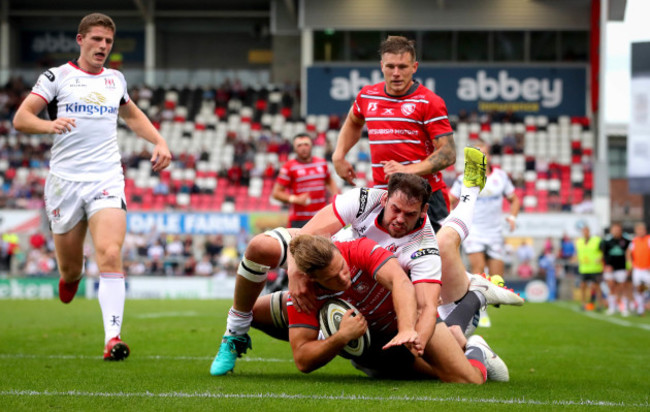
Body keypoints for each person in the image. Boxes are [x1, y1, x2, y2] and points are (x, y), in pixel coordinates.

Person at [209, 147, 523, 376]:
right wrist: (297, 271)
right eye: (395, 210)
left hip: (382, 303)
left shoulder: (422, 245)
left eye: (410, 214)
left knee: (446, 244)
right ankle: (235, 331)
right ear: (385, 198)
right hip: (335, 270)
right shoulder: (364, 201)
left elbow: (422, 303)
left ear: (423, 213)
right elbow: (307, 236)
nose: (399, 220)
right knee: (259, 249)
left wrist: (413, 336)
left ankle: (470, 192)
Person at [12, 13, 172, 360]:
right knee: (71, 268)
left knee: (111, 254)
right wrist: (49, 126)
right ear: (80, 40)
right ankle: (70, 278)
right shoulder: (57, 77)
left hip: (106, 178)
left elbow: (132, 116)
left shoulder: (115, 80)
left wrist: (158, 140)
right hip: (65, 182)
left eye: (108, 41)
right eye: (97, 39)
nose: (103, 46)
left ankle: (112, 338)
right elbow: (21, 119)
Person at [252, 234, 509, 383]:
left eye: (342, 268)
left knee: (468, 380)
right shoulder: (305, 293)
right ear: (311, 278)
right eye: (332, 278)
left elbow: (400, 281)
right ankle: (459, 329)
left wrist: (408, 328)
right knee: (429, 375)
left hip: (406, 327)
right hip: (373, 348)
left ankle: (476, 344)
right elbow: (302, 360)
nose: (343, 278)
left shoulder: (357, 247)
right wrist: (341, 337)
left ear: (337, 250)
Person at [332, 35, 456, 232]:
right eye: (390, 67)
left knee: (437, 260)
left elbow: (448, 153)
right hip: (384, 195)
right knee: (381, 260)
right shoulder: (367, 95)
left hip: (426, 197)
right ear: (382, 66)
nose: (396, 73)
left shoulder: (429, 101)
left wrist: (407, 170)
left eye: (402, 67)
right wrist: (338, 154)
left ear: (414, 67)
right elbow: (353, 121)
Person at [449, 139, 520, 276]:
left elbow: (514, 199)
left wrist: (512, 217)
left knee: (497, 278)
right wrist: (453, 218)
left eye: (485, 154)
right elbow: (449, 199)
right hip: (473, 231)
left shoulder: (501, 177)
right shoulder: (464, 179)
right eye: (478, 155)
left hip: (495, 232)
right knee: (479, 271)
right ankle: (479, 297)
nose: (482, 157)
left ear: (490, 156)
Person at [272, 132, 339, 229]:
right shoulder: (289, 167)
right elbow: (276, 193)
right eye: (299, 145)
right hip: (299, 219)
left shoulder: (322, 163)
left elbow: (329, 181)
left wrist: (335, 197)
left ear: (311, 146)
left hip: (321, 216)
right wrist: (295, 199)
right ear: (294, 148)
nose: (303, 148)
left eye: (306, 144)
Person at [602, 222, 632, 316]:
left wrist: (629, 267)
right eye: (614, 229)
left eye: (618, 230)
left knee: (622, 287)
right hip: (610, 268)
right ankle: (612, 307)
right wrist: (606, 265)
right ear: (611, 230)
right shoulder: (607, 242)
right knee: (611, 286)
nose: (616, 231)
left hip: (621, 267)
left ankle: (624, 308)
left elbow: (629, 255)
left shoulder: (626, 241)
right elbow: (604, 255)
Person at [575, 224, 604, 311]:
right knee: (582, 286)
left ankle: (600, 304)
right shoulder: (579, 242)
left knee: (596, 286)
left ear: (589, 231)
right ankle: (583, 303)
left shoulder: (597, 240)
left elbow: (603, 251)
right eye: (583, 231)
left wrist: (600, 258)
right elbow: (579, 254)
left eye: (586, 231)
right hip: (584, 268)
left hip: (595, 268)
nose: (585, 233)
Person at [626, 222, 650, 316]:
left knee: (645, 288)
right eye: (638, 230)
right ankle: (641, 309)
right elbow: (628, 252)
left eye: (642, 230)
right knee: (639, 289)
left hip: (647, 269)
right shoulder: (634, 241)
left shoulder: (648, 239)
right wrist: (630, 262)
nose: (640, 231)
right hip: (638, 269)